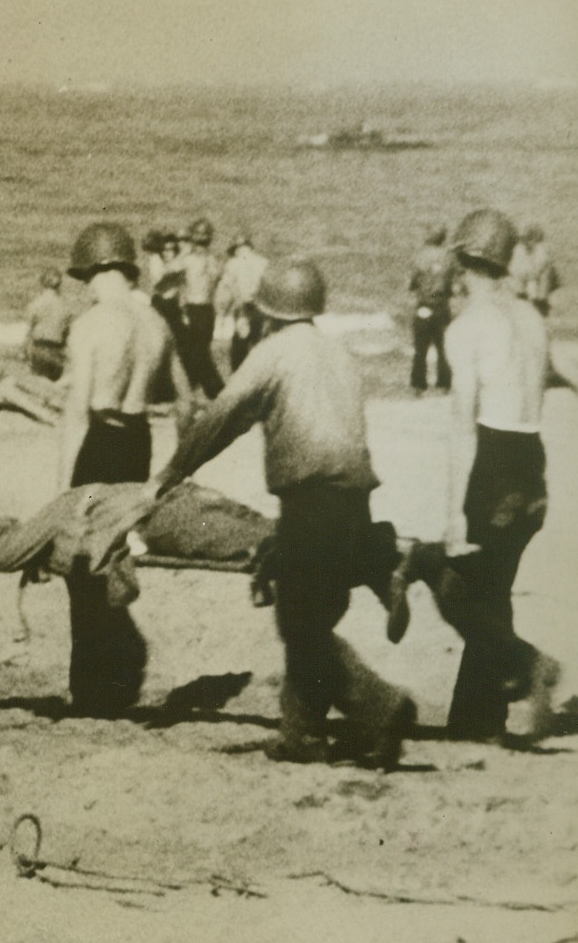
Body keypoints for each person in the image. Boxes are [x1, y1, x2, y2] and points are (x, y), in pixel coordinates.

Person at [150, 258, 417, 769]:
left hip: (311, 501)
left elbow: (221, 418)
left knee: (298, 621)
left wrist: (170, 475)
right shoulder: (337, 353)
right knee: (312, 613)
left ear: (267, 311)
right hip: (356, 499)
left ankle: (381, 705)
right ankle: (303, 735)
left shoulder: (272, 353)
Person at [393, 209, 561, 743]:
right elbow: (551, 374)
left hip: (492, 463)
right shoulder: (532, 318)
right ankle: (476, 717)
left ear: (462, 263)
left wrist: (452, 515)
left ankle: (531, 663)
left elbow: (463, 429)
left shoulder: (465, 328)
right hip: (532, 463)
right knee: (494, 588)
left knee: (457, 586)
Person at [58, 222, 193, 715]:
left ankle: (94, 690)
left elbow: (76, 413)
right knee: (115, 556)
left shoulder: (92, 323)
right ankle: (117, 677)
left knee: (81, 562)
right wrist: (174, 472)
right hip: (139, 442)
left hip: (99, 441)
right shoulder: (156, 323)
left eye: (86, 276)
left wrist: (60, 498)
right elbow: (186, 403)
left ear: (94, 270)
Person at [176, 217, 225, 399]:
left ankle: (216, 391)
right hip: (208, 310)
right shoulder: (214, 261)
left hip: (193, 309)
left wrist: (183, 252)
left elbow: (169, 271)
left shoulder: (189, 260)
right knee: (200, 351)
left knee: (198, 354)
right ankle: (193, 389)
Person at [406, 224, 455, 392]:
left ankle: (418, 385)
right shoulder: (448, 256)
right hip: (441, 304)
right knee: (443, 349)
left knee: (420, 349)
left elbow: (412, 283)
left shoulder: (420, 256)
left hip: (424, 304)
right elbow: (452, 282)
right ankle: (443, 385)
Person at [213, 231, 269, 371]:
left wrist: (222, 313)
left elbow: (226, 290)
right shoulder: (263, 262)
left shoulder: (233, 264)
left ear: (237, 249)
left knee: (239, 347)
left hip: (243, 308)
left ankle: (238, 377)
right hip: (261, 308)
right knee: (258, 343)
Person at [23, 267, 73, 381]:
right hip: (57, 350)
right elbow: (66, 334)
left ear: (42, 283)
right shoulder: (65, 306)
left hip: (40, 348)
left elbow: (29, 331)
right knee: (53, 387)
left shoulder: (36, 304)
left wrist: (24, 352)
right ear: (59, 284)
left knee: (38, 386)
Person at [508, 224, 560, 318]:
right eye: (524, 240)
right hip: (525, 274)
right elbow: (514, 268)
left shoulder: (542, 249)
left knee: (545, 274)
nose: (527, 243)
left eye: (530, 240)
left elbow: (541, 266)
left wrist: (530, 274)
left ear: (535, 240)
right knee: (517, 279)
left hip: (538, 274)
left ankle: (541, 300)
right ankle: (521, 297)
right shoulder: (519, 249)